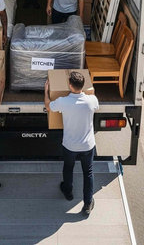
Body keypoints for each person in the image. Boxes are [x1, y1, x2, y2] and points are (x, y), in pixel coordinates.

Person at [44, 71, 99, 216]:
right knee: (88, 173)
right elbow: (96, 104)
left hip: (70, 145)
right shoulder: (92, 100)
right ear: (82, 85)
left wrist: (46, 91)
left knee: (68, 168)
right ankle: (87, 204)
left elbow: (48, 106)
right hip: (87, 145)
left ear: (69, 85)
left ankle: (68, 192)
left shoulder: (63, 102)